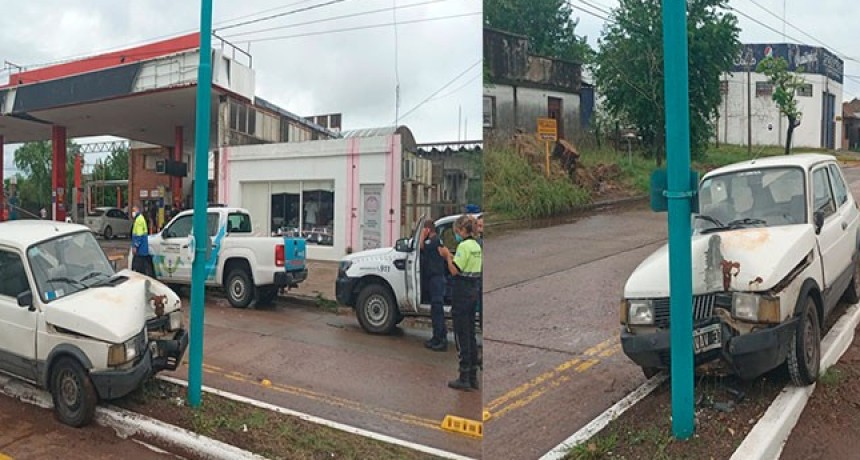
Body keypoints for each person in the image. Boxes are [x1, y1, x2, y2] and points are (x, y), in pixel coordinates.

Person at [439, 215, 482, 391]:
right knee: (470, 333)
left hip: (462, 292)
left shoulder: (464, 246)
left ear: (463, 230)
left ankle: (464, 377)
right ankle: (473, 376)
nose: (456, 234)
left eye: (457, 231)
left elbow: (454, 270)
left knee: (461, 334)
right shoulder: (476, 246)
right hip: (473, 290)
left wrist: (448, 256)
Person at [420, 220, 448, 352]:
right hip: (436, 279)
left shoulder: (433, 241)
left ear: (428, 230)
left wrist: (421, 236)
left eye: (424, 230)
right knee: (436, 310)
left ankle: (440, 340)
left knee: (437, 311)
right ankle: (437, 337)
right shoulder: (436, 241)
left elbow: (421, 247)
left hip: (436, 279)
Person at [131, 205, 154, 277]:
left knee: (139, 267)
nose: (132, 212)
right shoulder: (139, 219)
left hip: (140, 249)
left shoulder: (139, 220)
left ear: (138, 210)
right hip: (142, 249)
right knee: (141, 267)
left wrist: (135, 246)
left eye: (134, 210)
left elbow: (139, 235)